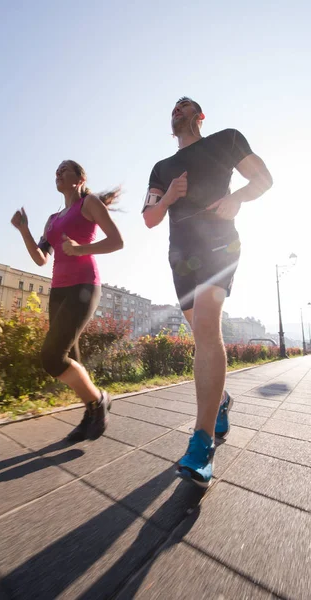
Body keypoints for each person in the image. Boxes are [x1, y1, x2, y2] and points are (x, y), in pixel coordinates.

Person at [143, 97, 273, 487]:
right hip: (181, 255)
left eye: (185, 106)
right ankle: (222, 400)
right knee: (199, 332)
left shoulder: (227, 140)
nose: (177, 110)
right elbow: (149, 218)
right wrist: (169, 196)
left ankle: (201, 444)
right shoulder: (161, 168)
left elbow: (263, 180)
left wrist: (236, 198)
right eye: (173, 108)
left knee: (205, 326)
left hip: (219, 244)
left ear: (200, 117)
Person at [11, 160, 123, 442]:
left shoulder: (89, 204)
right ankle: (91, 413)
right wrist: (24, 229)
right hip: (58, 290)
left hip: (84, 286)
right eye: (56, 171)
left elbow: (117, 241)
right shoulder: (52, 218)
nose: (58, 173)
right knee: (71, 358)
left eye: (64, 169)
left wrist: (79, 249)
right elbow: (40, 258)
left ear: (80, 177)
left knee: (52, 357)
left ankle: (99, 400)